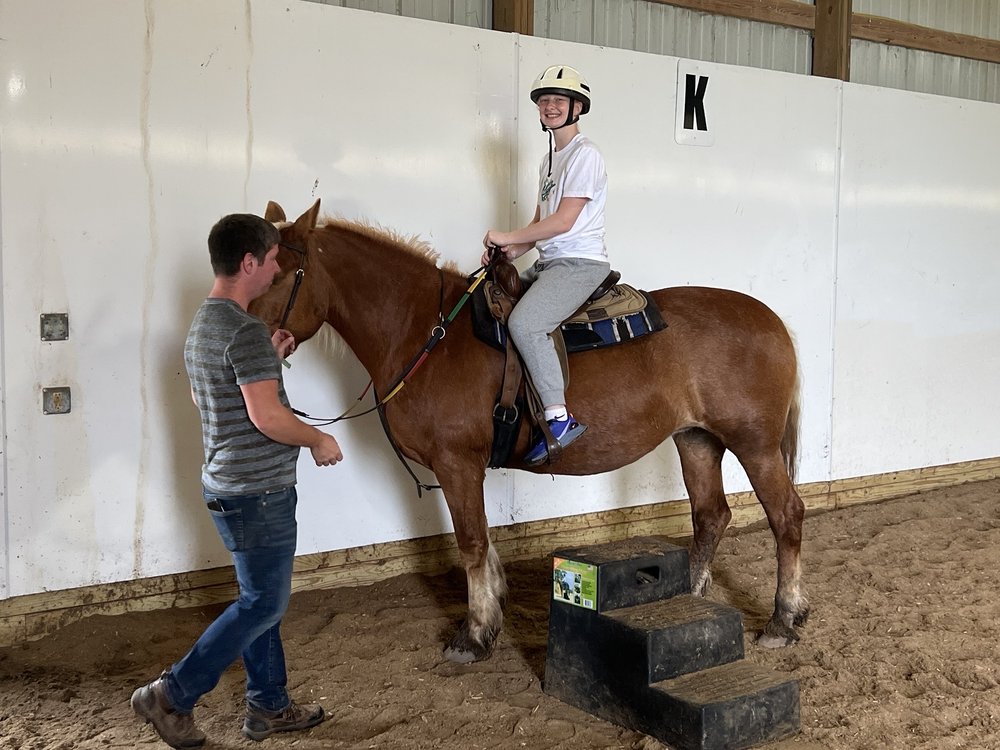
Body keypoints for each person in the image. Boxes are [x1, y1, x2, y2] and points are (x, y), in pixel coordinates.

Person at [131, 213, 344, 748]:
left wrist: (267, 360)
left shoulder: (207, 323)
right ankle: (171, 695)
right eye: (272, 260)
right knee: (262, 605)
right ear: (249, 262)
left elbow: (227, 394)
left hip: (229, 486)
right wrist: (318, 439)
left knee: (259, 598)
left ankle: (268, 706)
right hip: (258, 493)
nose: (275, 271)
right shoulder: (244, 330)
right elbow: (266, 418)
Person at [482, 64, 611, 467]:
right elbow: (542, 224)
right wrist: (513, 252)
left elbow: (566, 220)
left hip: (580, 263)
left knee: (525, 324)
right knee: (490, 305)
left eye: (559, 100)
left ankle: (558, 417)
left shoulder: (585, 155)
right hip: (551, 261)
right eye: (544, 101)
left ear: (577, 108)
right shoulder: (548, 161)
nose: (550, 107)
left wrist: (505, 235)